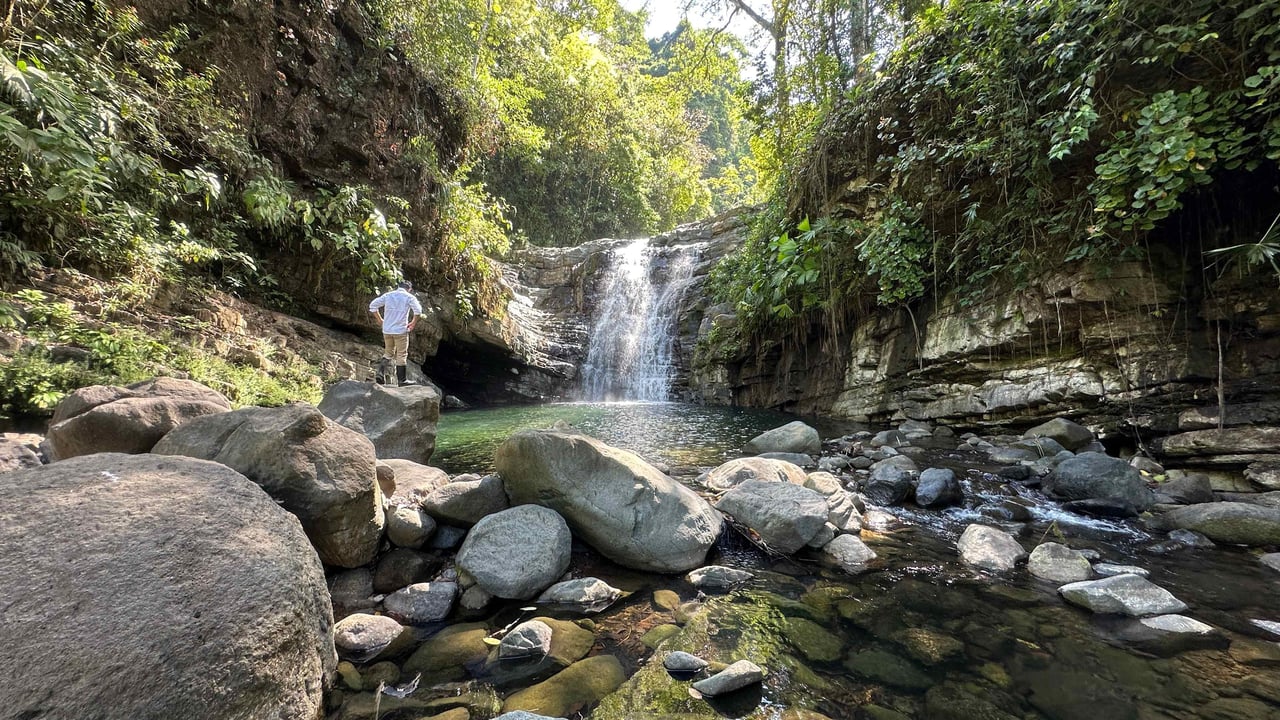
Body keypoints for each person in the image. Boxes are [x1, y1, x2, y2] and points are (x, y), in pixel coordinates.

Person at [369, 279, 423, 386]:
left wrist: (380, 320)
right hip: (400, 331)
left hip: (387, 330)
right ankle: (402, 380)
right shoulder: (409, 297)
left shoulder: (388, 295)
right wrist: (413, 322)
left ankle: (380, 373)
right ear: (409, 289)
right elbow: (418, 311)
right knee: (401, 354)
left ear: (398, 286)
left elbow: (373, 306)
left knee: (388, 352)